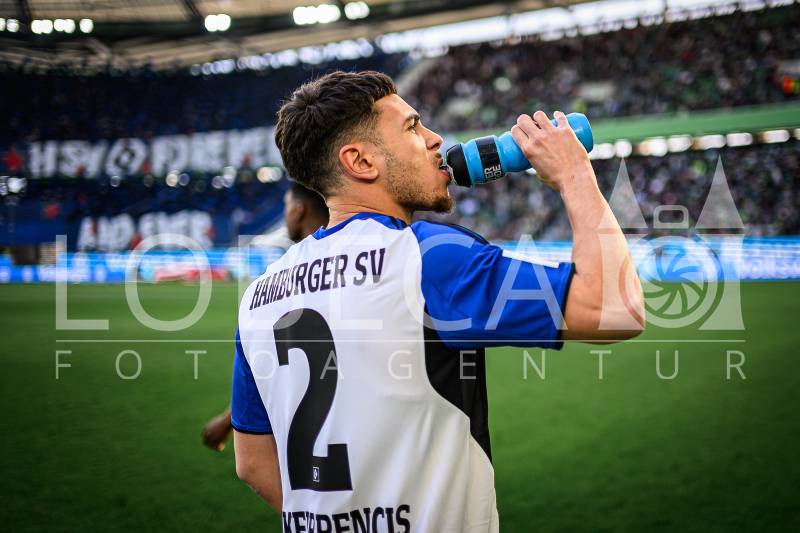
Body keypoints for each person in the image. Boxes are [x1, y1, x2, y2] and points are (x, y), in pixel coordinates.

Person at [231, 71, 644, 531]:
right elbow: (615, 308)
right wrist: (574, 174)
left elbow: (252, 463)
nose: (435, 139)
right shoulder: (428, 256)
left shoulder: (259, 295)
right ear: (360, 161)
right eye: (412, 127)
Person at [201, 183, 329, 451]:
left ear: (298, 210)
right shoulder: (352, 265)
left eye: (286, 205)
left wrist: (226, 422)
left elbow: (272, 367)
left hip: (308, 449)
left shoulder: (275, 283)